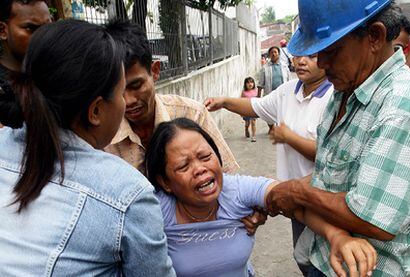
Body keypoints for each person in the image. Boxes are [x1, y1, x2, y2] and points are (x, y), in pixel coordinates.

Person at [0, 20, 175, 276]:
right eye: (119, 91)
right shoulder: (127, 194)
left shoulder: (6, 144)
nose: (126, 103)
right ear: (95, 111)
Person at [266, 1, 410, 276]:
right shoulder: (346, 88)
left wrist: (298, 192)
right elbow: (331, 174)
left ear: (375, 37)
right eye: (318, 52)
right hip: (325, 258)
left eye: (331, 51)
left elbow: (373, 218)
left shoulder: (400, 108)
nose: (322, 63)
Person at [146, 117, 377, 277]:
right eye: (184, 166)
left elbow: (294, 204)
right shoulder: (154, 212)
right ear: (165, 182)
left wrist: (337, 236)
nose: (200, 168)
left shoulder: (234, 190)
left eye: (205, 156)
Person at [205, 54, 333, 275]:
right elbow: (255, 106)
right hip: (295, 199)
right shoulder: (288, 90)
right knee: (303, 257)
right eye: (298, 56)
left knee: (322, 260)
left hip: (324, 199)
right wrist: (224, 102)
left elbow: (331, 156)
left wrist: (288, 137)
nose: (302, 62)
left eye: (311, 56)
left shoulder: (334, 96)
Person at [104, 21, 238, 175]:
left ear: (155, 71)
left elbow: (228, 179)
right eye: (118, 91)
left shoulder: (193, 115)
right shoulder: (103, 138)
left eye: (136, 85)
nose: (128, 101)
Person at [0, 0, 51, 128]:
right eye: (31, 28)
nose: (44, 36)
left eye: (48, 27)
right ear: (3, 31)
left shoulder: (55, 73)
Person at [258, 46, 290, 132]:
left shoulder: (284, 67)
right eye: (271, 52)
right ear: (269, 55)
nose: (273, 54)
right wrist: (258, 97)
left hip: (282, 94)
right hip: (270, 94)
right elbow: (260, 84)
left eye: (275, 52)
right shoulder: (265, 68)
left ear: (279, 54)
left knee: (282, 112)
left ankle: (280, 128)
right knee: (269, 113)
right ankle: (271, 127)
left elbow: (289, 80)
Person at [241, 77, 258, 142]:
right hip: (246, 110)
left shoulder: (255, 91)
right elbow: (241, 102)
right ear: (245, 84)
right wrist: (241, 112)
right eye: (248, 83)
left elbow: (258, 100)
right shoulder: (244, 92)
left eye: (251, 82)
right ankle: (246, 129)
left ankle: (253, 136)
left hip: (254, 109)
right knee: (247, 123)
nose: (250, 84)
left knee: (253, 122)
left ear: (254, 83)